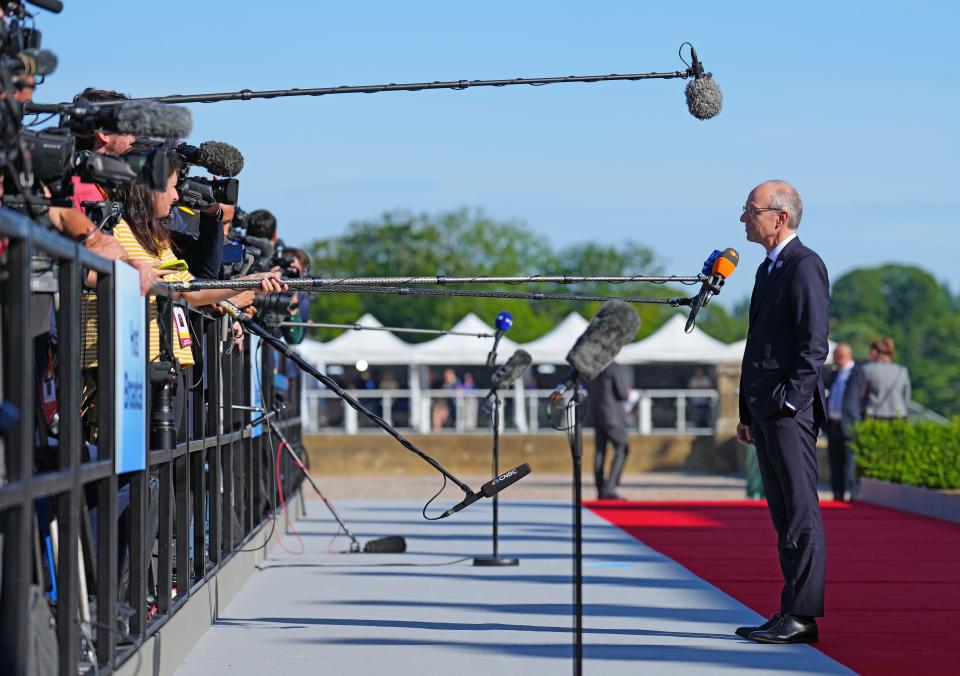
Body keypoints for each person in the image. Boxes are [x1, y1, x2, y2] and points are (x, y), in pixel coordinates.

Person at [735, 180, 829, 644]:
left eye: (750, 210)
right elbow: (758, 346)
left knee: (799, 512)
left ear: (780, 217)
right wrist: (748, 412)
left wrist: (791, 402)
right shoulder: (768, 268)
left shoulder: (804, 266)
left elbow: (813, 347)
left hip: (788, 412)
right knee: (781, 514)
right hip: (765, 410)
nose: (743, 219)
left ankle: (803, 615)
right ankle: (788, 608)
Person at [586, 361, 631, 500]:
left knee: (600, 452)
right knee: (622, 449)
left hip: (597, 415)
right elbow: (623, 393)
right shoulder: (615, 368)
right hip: (613, 416)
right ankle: (609, 488)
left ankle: (600, 489)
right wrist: (628, 391)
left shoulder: (593, 368)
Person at [824, 343, 862, 501]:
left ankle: (853, 494)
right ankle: (837, 494)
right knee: (835, 463)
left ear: (842, 356)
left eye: (835, 355)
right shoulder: (834, 374)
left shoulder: (858, 373)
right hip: (833, 425)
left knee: (851, 462)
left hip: (849, 424)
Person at [860, 338, 911, 420]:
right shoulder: (902, 371)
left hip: (873, 415)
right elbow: (906, 397)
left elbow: (861, 395)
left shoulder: (867, 369)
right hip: (898, 414)